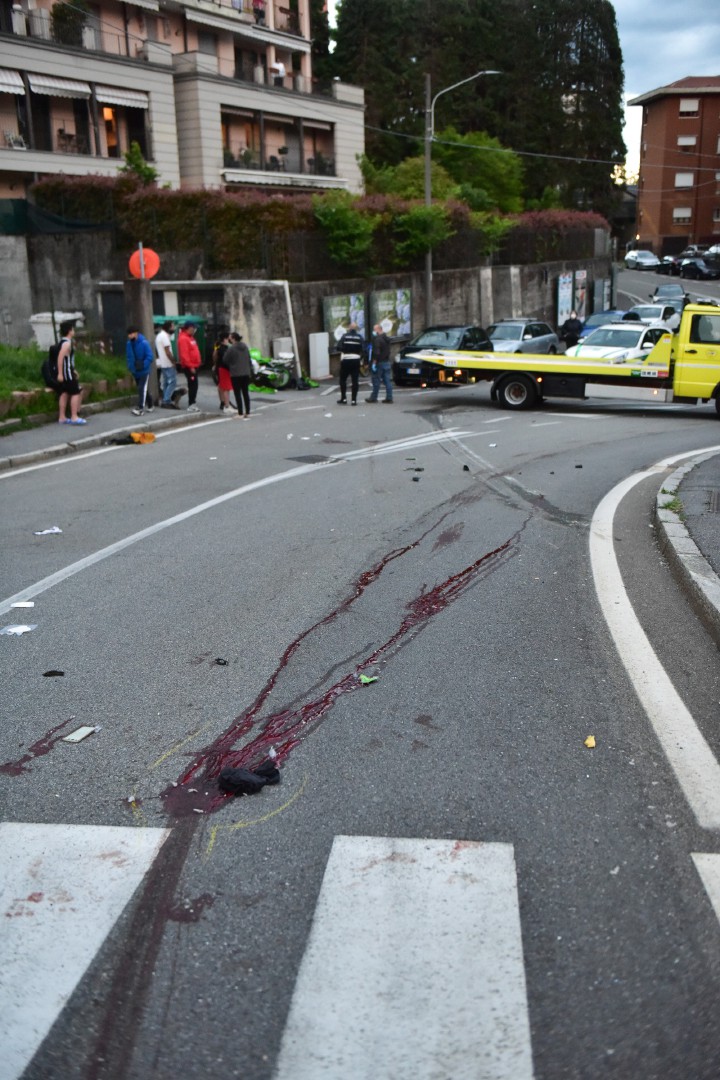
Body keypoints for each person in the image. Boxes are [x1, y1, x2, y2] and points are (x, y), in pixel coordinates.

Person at [55, 320, 86, 425]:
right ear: (69, 331)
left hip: (67, 371)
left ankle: (62, 417)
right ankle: (74, 416)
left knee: (64, 394)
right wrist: (60, 373)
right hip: (66, 373)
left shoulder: (62, 342)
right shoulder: (67, 344)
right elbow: (60, 358)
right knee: (75, 393)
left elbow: (65, 359)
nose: (74, 331)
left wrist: (73, 370)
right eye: (73, 329)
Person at [126, 326, 155, 416]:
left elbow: (150, 356)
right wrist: (131, 367)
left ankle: (140, 408)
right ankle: (150, 404)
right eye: (129, 334)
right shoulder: (129, 344)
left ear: (136, 333)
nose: (130, 336)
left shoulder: (144, 343)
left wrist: (143, 364)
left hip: (144, 370)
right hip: (135, 370)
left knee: (141, 388)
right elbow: (129, 357)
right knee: (142, 388)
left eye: (131, 334)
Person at [224, 332, 254, 419]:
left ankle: (240, 412)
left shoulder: (231, 348)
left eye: (230, 338)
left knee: (237, 393)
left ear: (233, 338)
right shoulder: (245, 346)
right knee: (245, 393)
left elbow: (225, 359)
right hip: (246, 372)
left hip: (236, 373)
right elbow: (249, 358)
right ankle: (247, 411)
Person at [155, 320, 183, 410]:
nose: (174, 328)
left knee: (166, 382)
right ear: (169, 327)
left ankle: (165, 399)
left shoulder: (160, 336)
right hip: (168, 363)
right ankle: (166, 400)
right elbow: (168, 352)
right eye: (173, 326)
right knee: (172, 382)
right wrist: (174, 362)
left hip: (163, 363)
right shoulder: (164, 337)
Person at [337, 322, 365, 406]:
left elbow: (339, 347)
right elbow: (364, 350)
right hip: (356, 360)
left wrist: (345, 350)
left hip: (346, 360)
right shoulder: (359, 337)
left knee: (343, 379)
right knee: (355, 381)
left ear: (349, 328)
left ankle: (344, 398)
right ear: (356, 329)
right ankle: (354, 400)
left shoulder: (345, 336)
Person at [177, 322, 202, 413]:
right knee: (193, 385)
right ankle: (191, 404)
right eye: (194, 328)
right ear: (190, 328)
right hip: (190, 367)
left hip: (194, 365)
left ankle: (192, 403)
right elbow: (184, 355)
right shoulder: (184, 339)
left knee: (194, 385)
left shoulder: (190, 338)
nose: (195, 330)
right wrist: (190, 366)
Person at [366, 323, 393, 403]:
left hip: (379, 362)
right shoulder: (386, 338)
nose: (373, 331)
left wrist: (374, 363)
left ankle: (374, 397)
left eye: (374, 330)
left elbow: (376, 353)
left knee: (376, 380)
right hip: (386, 361)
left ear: (378, 330)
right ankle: (389, 397)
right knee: (387, 380)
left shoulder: (377, 339)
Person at [212, 329, 235, 412]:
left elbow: (214, 355)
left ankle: (223, 402)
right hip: (222, 367)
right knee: (224, 386)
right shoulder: (222, 347)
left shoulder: (218, 345)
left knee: (221, 385)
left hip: (218, 366)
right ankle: (225, 403)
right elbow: (216, 355)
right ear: (225, 338)